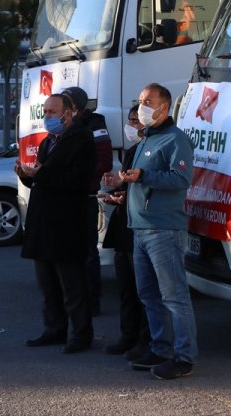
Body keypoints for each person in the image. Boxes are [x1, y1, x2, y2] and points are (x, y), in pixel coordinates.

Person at [109, 83, 197, 380]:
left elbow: (181, 178)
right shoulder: (147, 139)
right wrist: (124, 187)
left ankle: (184, 357)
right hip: (141, 228)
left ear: (164, 107)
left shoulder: (175, 140)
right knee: (148, 294)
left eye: (148, 101)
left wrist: (144, 175)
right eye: (140, 100)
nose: (142, 105)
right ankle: (160, 349)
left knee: (174, 296)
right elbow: (142, 181)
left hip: (164, 229)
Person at [16, 93, 96, 354]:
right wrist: (27, 176)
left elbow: (77, 181)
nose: (47, 117)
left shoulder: (82, 140)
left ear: (68, 113)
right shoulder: (48, 141)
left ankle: (81, 334)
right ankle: (54, 329)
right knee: (47, 283)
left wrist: (43, 174)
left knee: (71, 285)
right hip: (43, 221)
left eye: (52, 112)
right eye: (45, 112)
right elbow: (42, 179)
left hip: (66, 222)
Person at [100, 105, 150, 357]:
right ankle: (128, 336)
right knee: (125, 289)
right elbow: (129, 186)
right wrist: (116, 193)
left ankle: (145, 340)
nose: (132, 125)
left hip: (140, 229)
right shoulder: (132, 151)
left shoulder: (151, 150)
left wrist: (124, 192)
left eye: (136, 120)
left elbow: (145, 187)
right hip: (123, 228)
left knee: (144, 291)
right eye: (130, 120)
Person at [61, 86, 112, 316]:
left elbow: (105, 162)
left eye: (67, 106)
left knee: (88, 253)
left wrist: (78, 176)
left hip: (85, 196)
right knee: (66, 252)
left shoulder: (95, 124)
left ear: (78, 108)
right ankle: (73, 299)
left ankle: (92, 302)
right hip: (63, 198)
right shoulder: (62, 126)